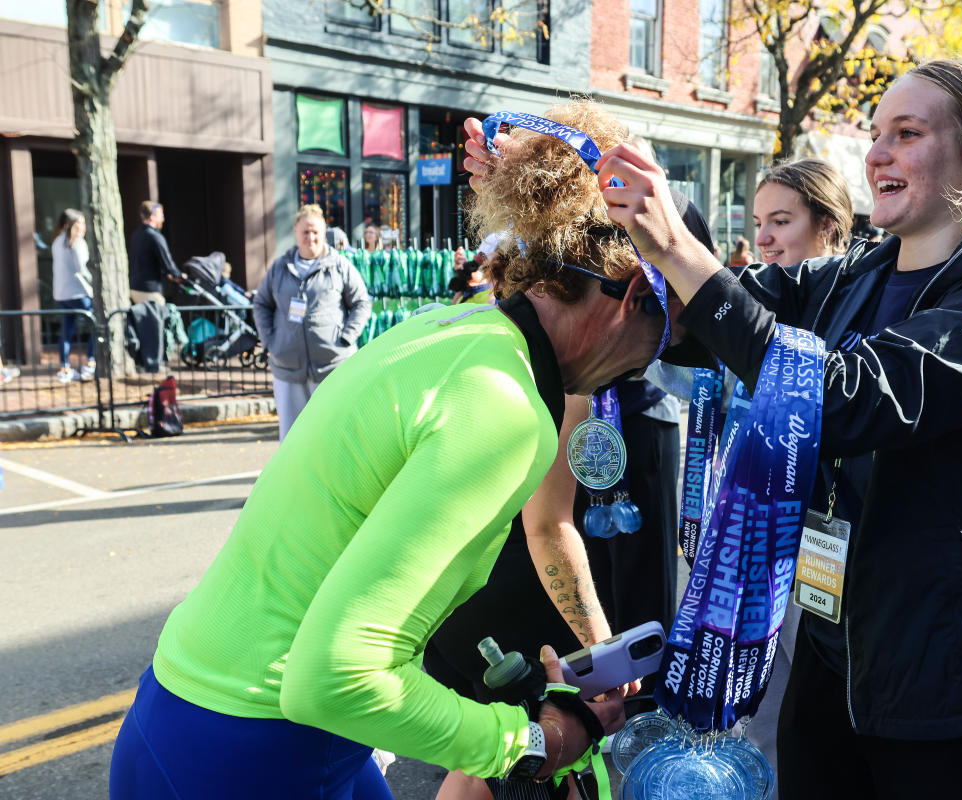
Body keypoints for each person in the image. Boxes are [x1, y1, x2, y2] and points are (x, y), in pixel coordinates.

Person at [109, 103, 686, 800]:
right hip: (259, 749)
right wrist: (536, 741)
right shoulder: (506, 406)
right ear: (629, 298)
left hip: (187, 708)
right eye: (668, 336)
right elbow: (338, 675)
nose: (650, 366)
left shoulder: (453, 327)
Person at [580, 58, 962, 798]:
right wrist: (561, 190)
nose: (876, 153)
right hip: (832, 656)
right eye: (875, 133)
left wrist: (680, 250)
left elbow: (841, 399)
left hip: (958, 691)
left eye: (907, 134)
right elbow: (702, 317)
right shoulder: (852, 276)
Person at [742, 157, 853, 795]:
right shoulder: (755, 306)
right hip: (748, 540)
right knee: (756, 704)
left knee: (803, 703)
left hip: (818, 546)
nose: (764, 238)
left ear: (830, 227)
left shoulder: (852, 315)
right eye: (759, 222)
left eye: (781, 221)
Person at [252, 205, 371, 440]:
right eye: (305, 232)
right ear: (296, 232)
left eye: (315, 232)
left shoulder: (339, 265)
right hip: (288, 368)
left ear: (324, 232)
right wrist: (271, 342)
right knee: (293, 439)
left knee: (333, 435)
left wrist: (345, 338)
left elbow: (362, 303)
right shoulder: (279, 268)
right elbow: (261, 304)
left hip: (332, 366)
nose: (311, 238)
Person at [50, 208, 96, 383]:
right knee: (96, 324)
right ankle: (91, 362)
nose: (83, 227)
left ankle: (65, 367)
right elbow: (82, 269)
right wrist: (95, 287)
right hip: (79, 292)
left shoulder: (57, 241)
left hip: (61, 294)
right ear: (72, 224)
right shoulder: (76, 242)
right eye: (80, 223)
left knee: (67, 330)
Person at [128, 201, 183, 306]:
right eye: (161, 215)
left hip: (135, 289)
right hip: (149, 291)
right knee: (161, 319)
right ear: (152, 217)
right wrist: (179, 275)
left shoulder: (136, 235)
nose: (163, 219)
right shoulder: (155, 237)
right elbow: (168, 264)